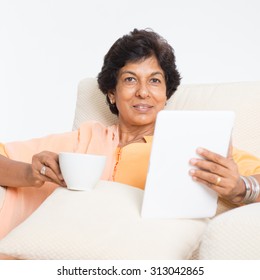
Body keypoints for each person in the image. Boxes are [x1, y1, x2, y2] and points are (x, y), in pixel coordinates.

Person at [0, 28, 260, 240]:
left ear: (166, 95)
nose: (143, 92)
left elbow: (249, 179)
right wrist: (29, 173)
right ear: (111, 93)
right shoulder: (85, 138)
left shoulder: (191, 144)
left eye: (155, 81)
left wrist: (241, 188)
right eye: (130, 79)